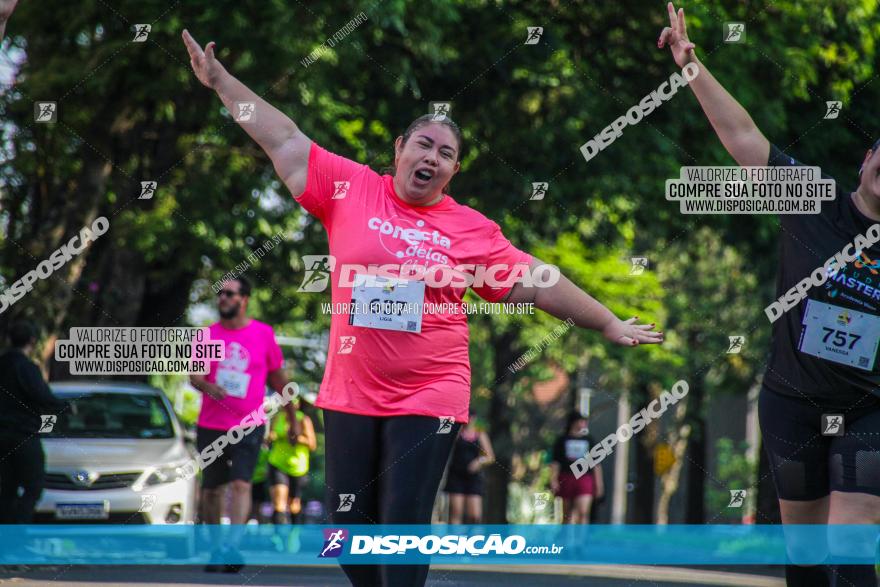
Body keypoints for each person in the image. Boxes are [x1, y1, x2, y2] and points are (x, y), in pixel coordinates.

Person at [182, 29, 663, 587]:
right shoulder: (350, 189)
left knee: (401, 525)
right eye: (424, 145)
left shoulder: (470, 229)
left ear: (454, 171)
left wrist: (605, 319)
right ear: (398, 150)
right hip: (351, 391)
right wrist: (220, 82)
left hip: (429, 389)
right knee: (346, 528)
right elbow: (284, 137)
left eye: (446, 153)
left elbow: (538, 280)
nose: (432, 157)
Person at [659, 3, 880, 586]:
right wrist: (690, 67)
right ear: (867, 159)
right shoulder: (813, 199)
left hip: (871, 406)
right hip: (792, 400)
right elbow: (742, 135)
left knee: (855, 537)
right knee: (805, 554)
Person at [189, 275, 296, 573]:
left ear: (244, 299)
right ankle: (215, 547)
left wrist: (291, 419)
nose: (222, 298)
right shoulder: (207, 335)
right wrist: (209, 387)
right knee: (211, 490)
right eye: (220, 293)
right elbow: (195, 376)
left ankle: (231, 547)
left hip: (249, 423)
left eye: (229, 293)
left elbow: (279, 380)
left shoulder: (263, 334)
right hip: (211, 423)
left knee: (240, 483)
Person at [0, 320, 65, 524]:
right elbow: (42, 397)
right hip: (22, 436)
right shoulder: (26, 368)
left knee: (6, 489)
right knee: (33, 487)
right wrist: (65, 407)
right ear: (33, 341)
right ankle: (18, 533)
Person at [267, 397, 317, 526]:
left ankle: (293, 536)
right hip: (277, 463)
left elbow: (312, 444)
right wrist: (271, 437)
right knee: (279, 502)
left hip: (297, 467)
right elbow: (271, 435)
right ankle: (277, 539)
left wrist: (297, 438)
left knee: (294, 504)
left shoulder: (303, 420)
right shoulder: (279, 417)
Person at [550, 412, 604, 524]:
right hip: (567, 477)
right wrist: (553, 480)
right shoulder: (562, 440)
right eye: (581, 421)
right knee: (567, 514)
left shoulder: (589, 440)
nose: (583, 424)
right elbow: (556, 462)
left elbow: (596, 464)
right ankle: (568, 540)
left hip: (584, 478)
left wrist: (599, 484)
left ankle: (582, 540)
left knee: (583, 512)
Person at [444, 411, 494, 524]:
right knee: (456, 512)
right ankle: (455, 539)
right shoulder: (457, 433)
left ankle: (474, 540)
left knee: (475, 515)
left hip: (474, 477)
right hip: (456, 475)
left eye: (470, 417)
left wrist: (479, 462)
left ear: (474, 418)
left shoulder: (480, 434)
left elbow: (490, 457)